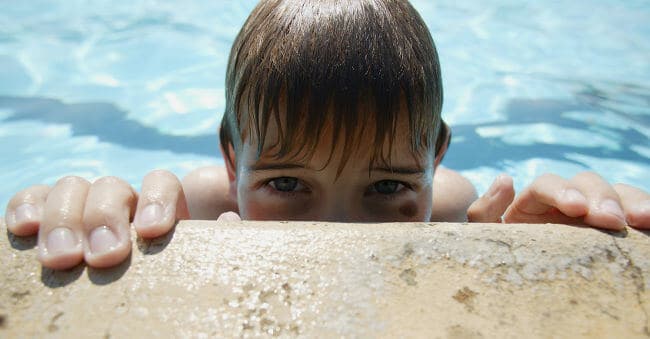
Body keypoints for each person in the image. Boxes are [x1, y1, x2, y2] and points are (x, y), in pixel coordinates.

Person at [4, 0, 649, 270]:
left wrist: (572, 230)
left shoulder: (458, 210)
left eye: (389, 185)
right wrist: (93, 214)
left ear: (437, 158)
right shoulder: (195, 209)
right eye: (285, 183)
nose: (340, 229)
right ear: (232, 161)